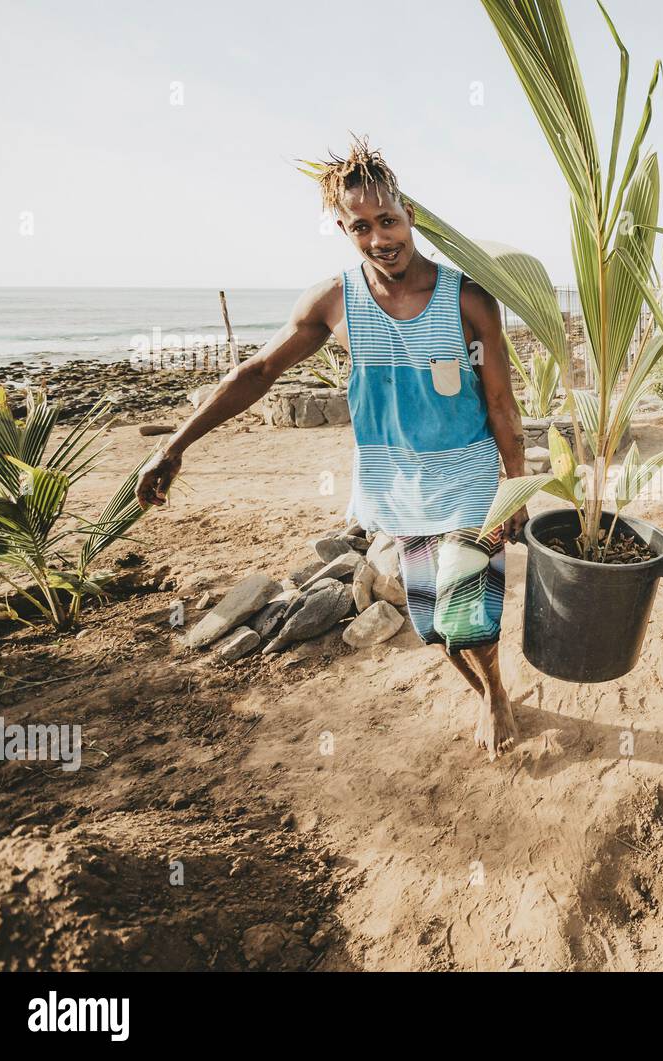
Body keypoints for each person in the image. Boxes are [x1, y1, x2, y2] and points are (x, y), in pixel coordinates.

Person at [136, 139, 527, 760]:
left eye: (388, 220)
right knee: (434, 625)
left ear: (411, 217)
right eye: (360, 227)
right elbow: (258, 371)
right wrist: (176, 445)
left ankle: (497, 694)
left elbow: (503, 407)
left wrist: (516, 488)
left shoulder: (467, 298)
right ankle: (483, 689)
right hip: (396, 488)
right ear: (345, 230)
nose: (379, 238)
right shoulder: (333, 302)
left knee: (469, 609)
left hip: (470, 478)